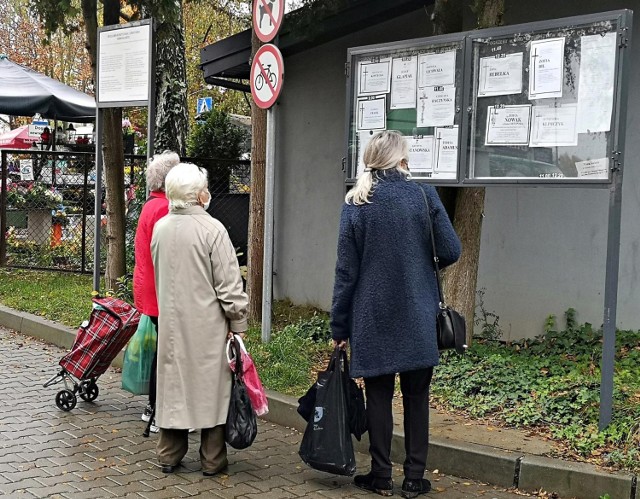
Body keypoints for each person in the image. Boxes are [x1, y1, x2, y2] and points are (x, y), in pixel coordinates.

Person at [330, 131, 461, 498]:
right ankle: (415, 478)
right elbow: (451, 249)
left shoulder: (356, 202)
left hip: (373, 317)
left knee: (379, 396)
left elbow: (346, 273)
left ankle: (381, 475)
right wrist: (420, 261)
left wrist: (339, 325)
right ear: (401, 159)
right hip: (419, 312)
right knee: (417, 397)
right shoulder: (423, 194)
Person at [151, 162, 248, 476]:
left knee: (174, 386)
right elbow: (230, 286)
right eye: (205, 187)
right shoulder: (213, 230)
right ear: (198, 194)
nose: (208, 192)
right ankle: (212, 459)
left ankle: (169, 453)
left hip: (171, 323)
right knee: (212, 391)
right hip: (208, 325)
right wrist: (238, 324)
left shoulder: (161, 228)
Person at [132, 150, 180, 433]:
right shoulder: (164, 208)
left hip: (149, 286)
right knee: (168, 351)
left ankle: (155, 407)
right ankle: (156, 409)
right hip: (161, 288)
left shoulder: (152, 204)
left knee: (165, 347)